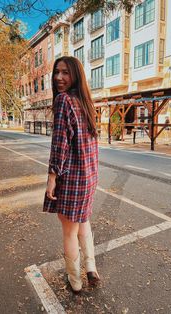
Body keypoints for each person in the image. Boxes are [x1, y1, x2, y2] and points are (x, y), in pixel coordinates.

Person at [43, 56, 99, 293]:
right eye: (57, 72)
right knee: (83, 222)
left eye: (65, 72)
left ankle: (75, 280)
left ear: (75, 74)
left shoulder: (64, 101)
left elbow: (60, 145)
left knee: (69, 231)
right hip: (89, 176)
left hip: (73, 178)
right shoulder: (85, 102)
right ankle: (91, 269)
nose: (59, 78)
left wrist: (52, 177)